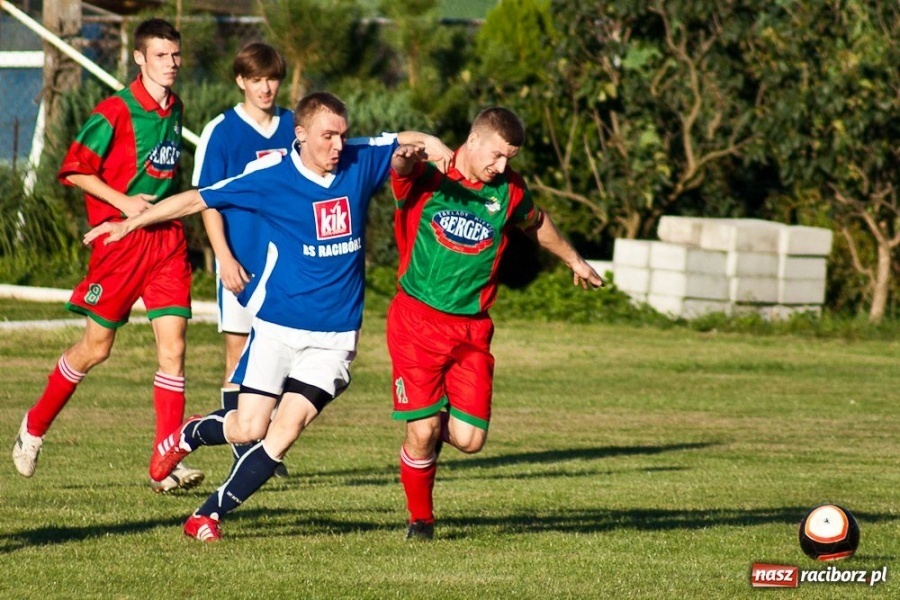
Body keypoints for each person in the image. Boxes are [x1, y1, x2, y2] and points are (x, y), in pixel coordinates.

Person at [83, 91, 453, 542]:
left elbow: (401, 141)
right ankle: (187, 436)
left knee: (284, 431)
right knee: (247, 426)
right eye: (327, 136)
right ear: (300, 136)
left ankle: (207, 515)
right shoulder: (270, 177)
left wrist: (431, 143)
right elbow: (196, 200)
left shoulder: (358, 159)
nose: (338, 145)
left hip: (335, 338)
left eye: (342, 134)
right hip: (278, 329)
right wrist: (126, 224)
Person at [388, 107, 604, 540]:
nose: (502, 166)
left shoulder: (508, 190)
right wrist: (424, 141)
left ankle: (424, 415)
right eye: (497, 155)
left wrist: (573, 259)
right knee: (425, 430)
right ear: (473, 139)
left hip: (471, 329)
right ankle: (421, 519)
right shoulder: (431, 174)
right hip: (417, 321)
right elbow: (394, 154)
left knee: (469, 440)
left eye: (509, 158)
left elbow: (536, 223)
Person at [12, 18, 205, 493]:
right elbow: (74, 169)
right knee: (97, 348)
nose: (172, 64)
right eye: (161, 56)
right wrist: (123, 205)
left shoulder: (175, 107)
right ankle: (34, 426)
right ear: (139, 59)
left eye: (176, 55)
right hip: (119, 242)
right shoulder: (114, 110)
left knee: (174, 350)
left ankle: (165, 462)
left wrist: (152, 210)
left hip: (164, 239)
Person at [192, 42, 295, 475]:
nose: (265, 87)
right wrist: (223, 258)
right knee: (238, 355)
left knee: (284, 356)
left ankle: (267, 445)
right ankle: (243, 445)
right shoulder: (222, 131)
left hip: (286, 267)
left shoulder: (294, 125)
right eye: (256, 80)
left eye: (271, 78)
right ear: (241, 81)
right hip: (241, 263)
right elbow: (206, 201)